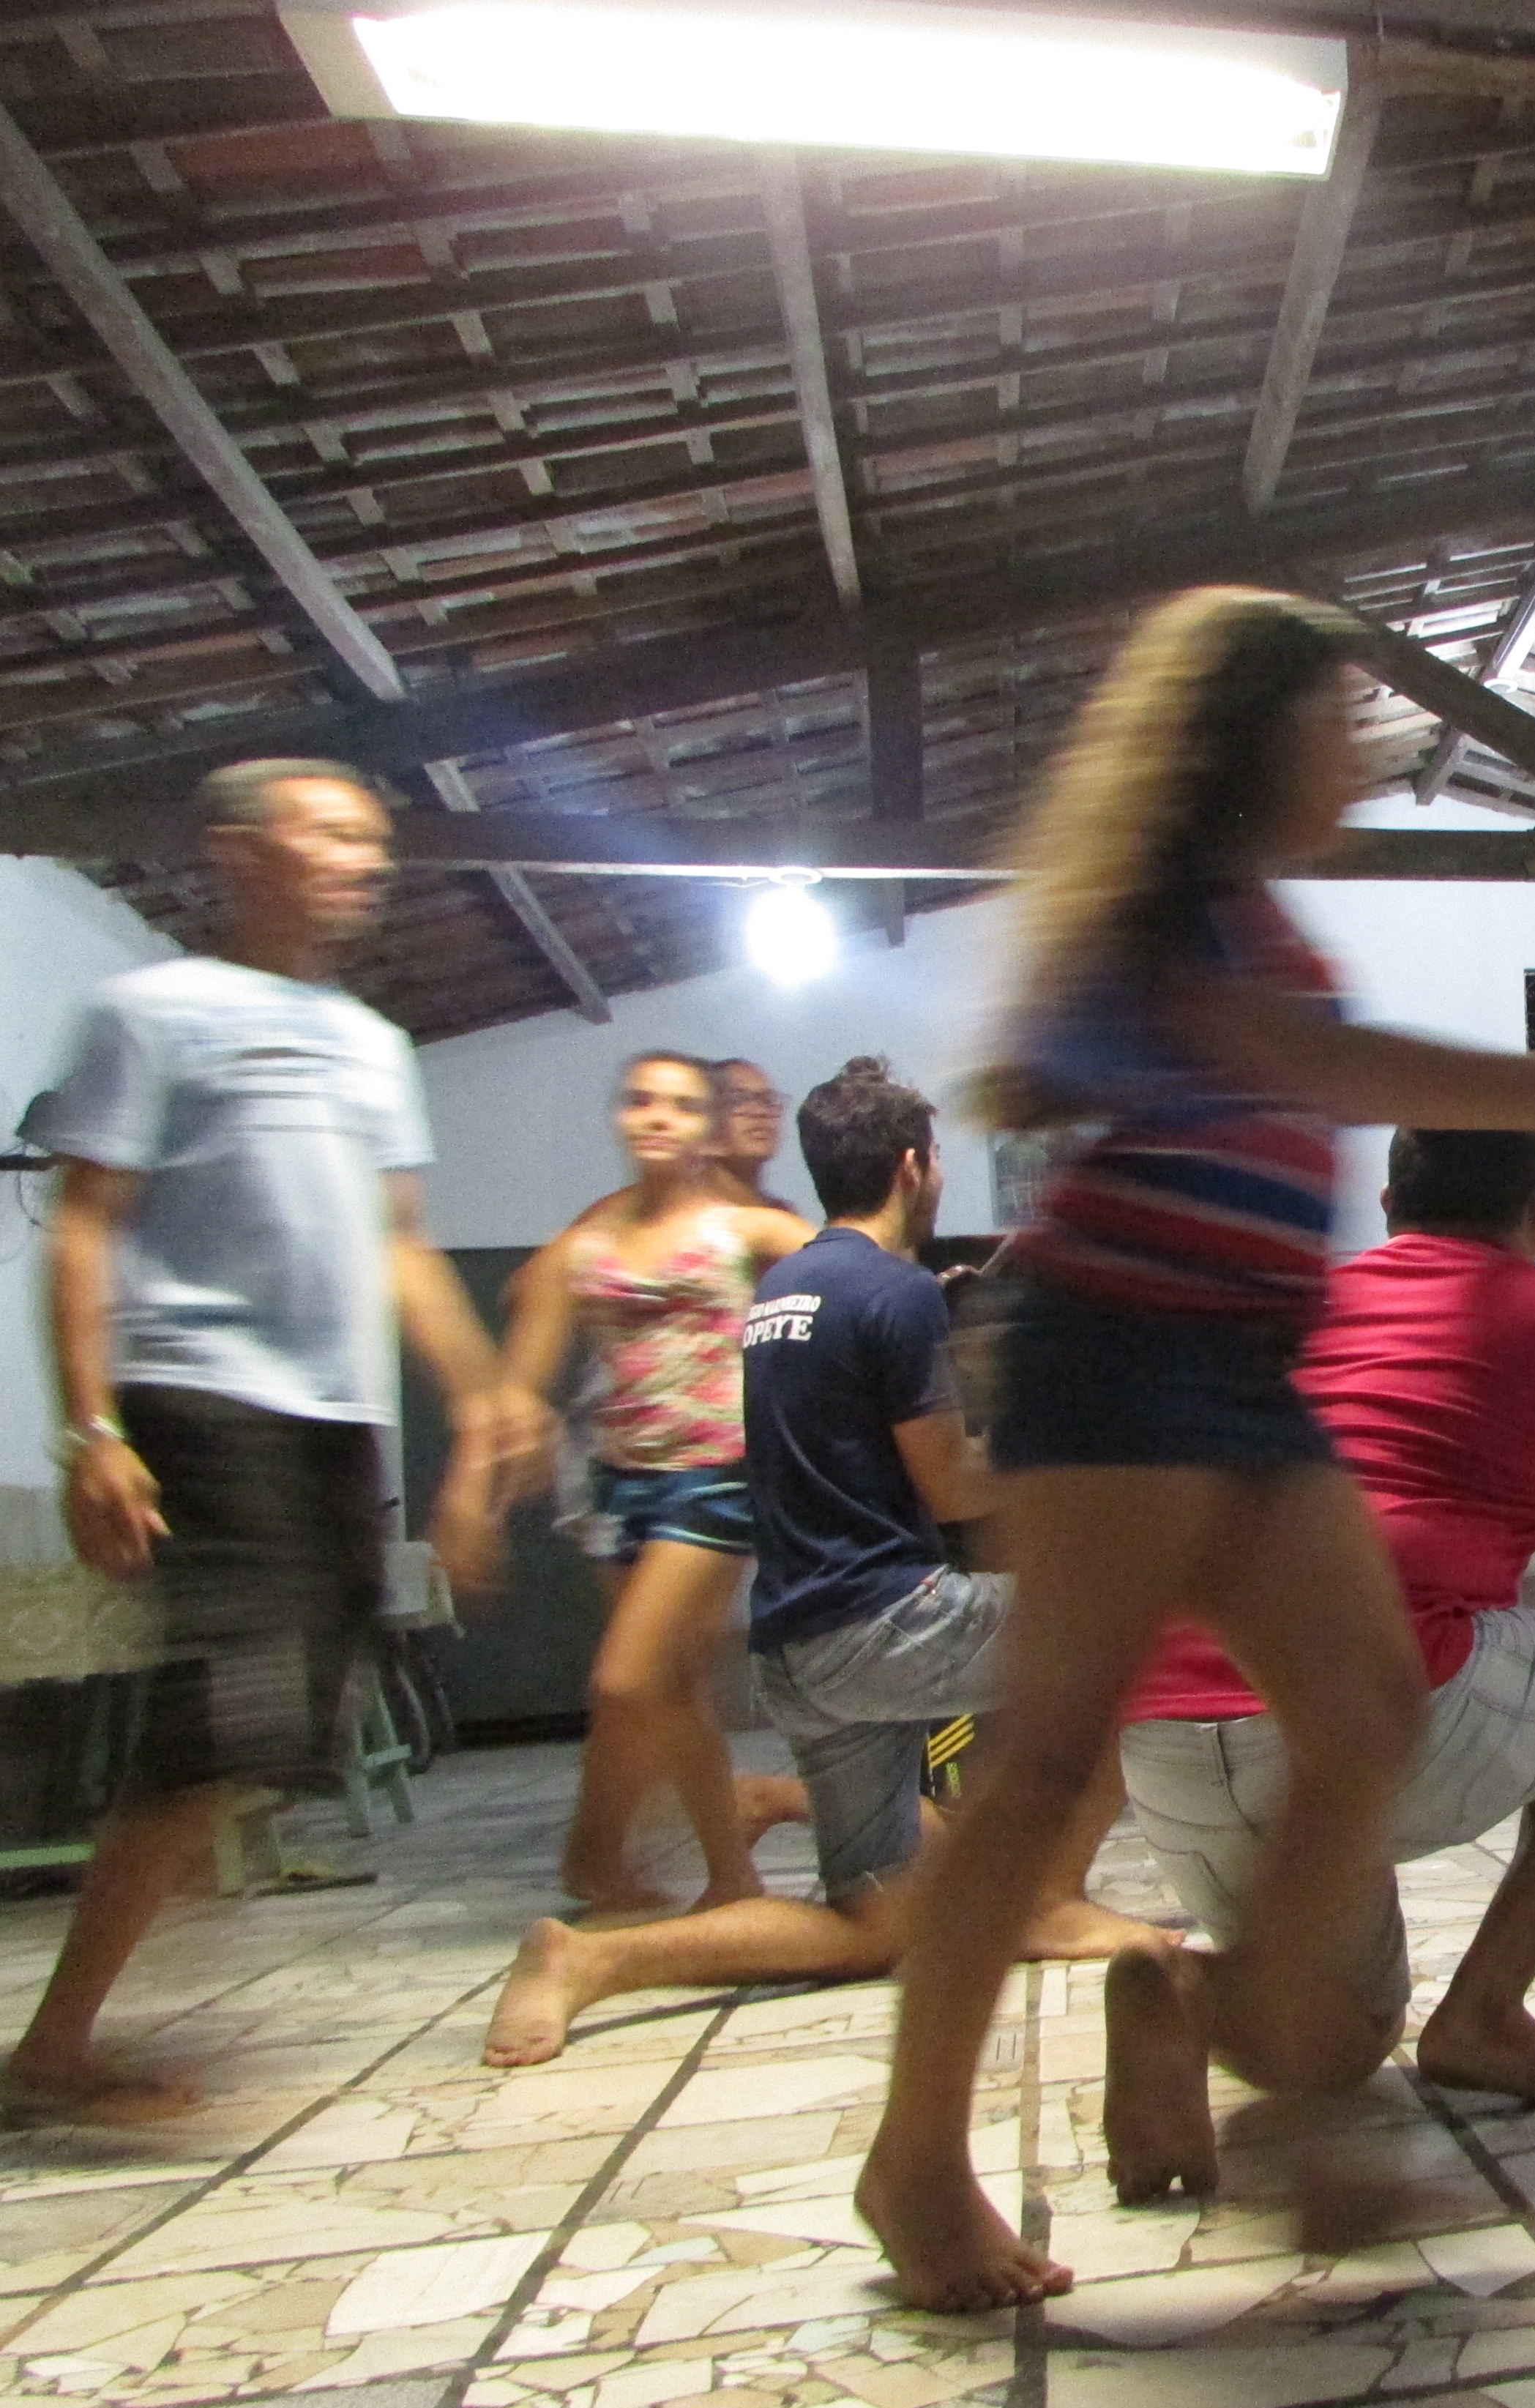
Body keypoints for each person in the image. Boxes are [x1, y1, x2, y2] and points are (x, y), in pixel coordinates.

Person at [852, 587, 1535, 2313]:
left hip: (1243, 1364)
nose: (1358, 755)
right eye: (1334, 722)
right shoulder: (1163, 920)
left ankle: (1286, 2071)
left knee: (1365, 1712)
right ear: (1245, 739)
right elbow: (1305, 1061)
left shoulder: (1251, 917)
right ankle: (913, 2160)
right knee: (1047, 1765)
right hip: (1114, 1346)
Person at [12, 760, 534, 2122]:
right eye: (331, 834)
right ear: (239, 852)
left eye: (373, 840)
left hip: (330, 1416)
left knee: (290, 1713)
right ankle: (55, 2048)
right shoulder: (153, 1012)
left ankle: (125, 1976)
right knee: (220, 1712)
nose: (366, 859)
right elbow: (84, 1225)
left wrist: (482, 1391)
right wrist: (89, 1429)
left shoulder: (372, 1043)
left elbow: (401, 1244)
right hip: (199, 1392)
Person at [482, 1059, 1140, 2066]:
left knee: (872, 1925)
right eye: (936, 1164)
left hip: (798, 1646)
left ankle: (591, 1959)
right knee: (1125, 1633)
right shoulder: (896, 1290)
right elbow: (951, 1489)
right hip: (885, 1622)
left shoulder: (780, 1290)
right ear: (913, 1167)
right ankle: (1049, 1902)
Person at [1099, 1130, 1535, 2204]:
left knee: (1343, 2037)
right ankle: (1487, 2012)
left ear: (1386, 1204)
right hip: (1362, 1715)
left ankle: (1188, 1995)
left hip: (1168, 1731)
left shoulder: (1291, 1313)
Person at [501, 1052, 813, 1915]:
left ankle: (598, 1851)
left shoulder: (750, 1225)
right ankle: (723, 1876)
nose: (659, 1118)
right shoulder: (599, 1234)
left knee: (626, 1679)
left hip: (714, 1477)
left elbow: (849, 1274)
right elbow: (531, 1304)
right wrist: (510, 1429)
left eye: (681, 1105)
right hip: (621, 1477)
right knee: (672, 1686)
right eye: (641, 1101)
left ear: (703, 1126)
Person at [709, 1057, 793, 1209]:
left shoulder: (782, 1214)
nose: (760, 1111)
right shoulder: (681, 1213)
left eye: (768, 1101)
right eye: (739, 1099)